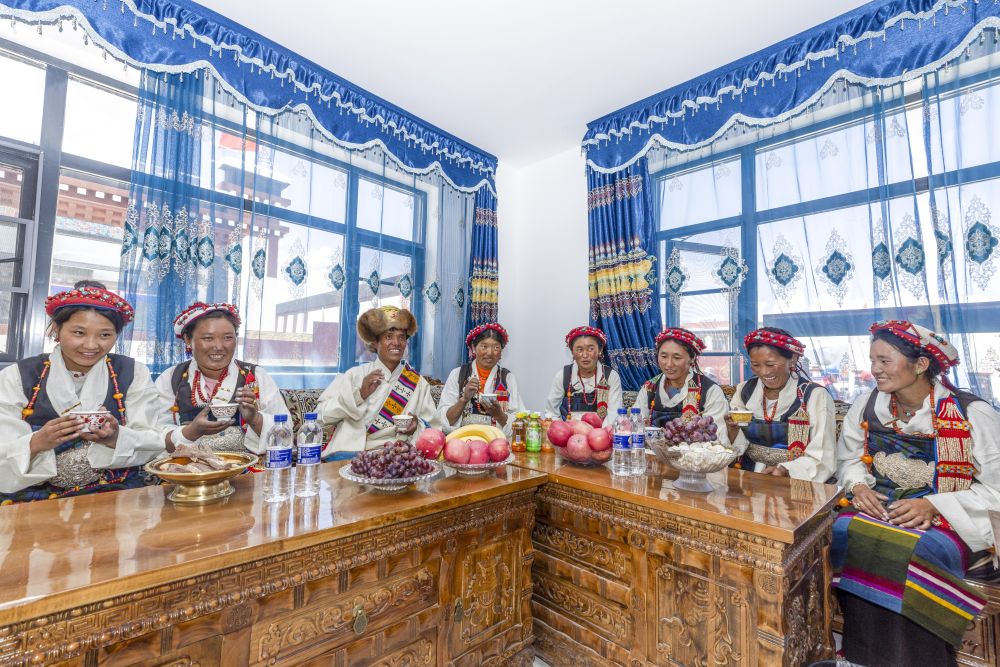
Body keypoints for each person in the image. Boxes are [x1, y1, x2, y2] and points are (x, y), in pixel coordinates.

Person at [833, 320, 999, 667]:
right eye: (873, 360)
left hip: (952, 517)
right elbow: (849, 460)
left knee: (913, 547)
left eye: (885, 360)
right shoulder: (866, 405)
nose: (875, 369)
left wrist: (933, 505)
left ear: (921, 364)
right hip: (883, 507)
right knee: (843, 530)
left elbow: (995, 489)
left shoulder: (971, 413)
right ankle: (861, 655)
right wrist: (858, 485)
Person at [0, 281, 164, 503]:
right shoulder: (18, 375)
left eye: (105, 335)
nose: (91, 345)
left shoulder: (133, 372)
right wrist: (38, 442)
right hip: (35, 498)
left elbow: (153, 439)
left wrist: (116, 437)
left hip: (115, 493)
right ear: (56, 329)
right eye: (79, 333)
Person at [154, 302, 288, 455]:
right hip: (187, 468)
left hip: (245, 467)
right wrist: (191, 432)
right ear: (188, 340)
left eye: (228, 337)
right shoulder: (172, 378)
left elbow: (285, 434)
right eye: (208, 338)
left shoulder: (256, 376)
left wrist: (255, 419)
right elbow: (155, 437)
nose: (219, 346)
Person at [317, 306, 439, 460]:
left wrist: (417, 425)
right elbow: (320, 416)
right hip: (350, 456)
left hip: (397, 458)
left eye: (402, 337)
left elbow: (434, 429)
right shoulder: (353, 375)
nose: (396, 343)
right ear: (375, 342)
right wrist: (358, 395)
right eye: (388, 336)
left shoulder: (418, 383)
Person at [726, 327, 835, 481]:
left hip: (794, 479)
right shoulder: (745, 390)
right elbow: (736, 445)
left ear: (793, 359)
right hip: (749, 478)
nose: (764, 372)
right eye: (756, 365)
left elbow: (823, 454)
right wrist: (731, 431)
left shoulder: (814, 396)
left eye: (770, 364)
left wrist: (785, 470)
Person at [634, 328, 729, 441]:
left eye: (677, 358)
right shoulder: (650, 388)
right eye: (663, 356)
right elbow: (635, 426)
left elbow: (717, 437)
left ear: (692, 358)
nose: (669, 364)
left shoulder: (710, 391)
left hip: (695, 452)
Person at [438, 323, 525, 437]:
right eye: (484, 346)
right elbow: (443, 422)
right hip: (463, 440)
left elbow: (520, 423)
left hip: (496, 442)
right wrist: (464, 399)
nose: (490, 353)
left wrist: (499, 414)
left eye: (496, 347)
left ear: (501, 352)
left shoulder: (507, 378)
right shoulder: (458, 374)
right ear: (474, 348)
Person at [545, 326, 622, 425]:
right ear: (572, 352)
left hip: (601, 432)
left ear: (600, 350)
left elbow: (614, 415)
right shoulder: (563, 375)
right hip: (569, 432)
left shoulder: (611, 376)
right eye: (579, 350)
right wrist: (562, 429)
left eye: (590, 349)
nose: (585, 355)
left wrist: (600, 433)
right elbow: (551, 412)